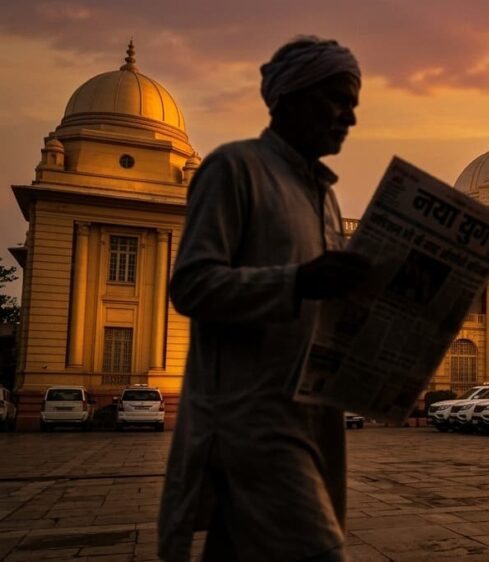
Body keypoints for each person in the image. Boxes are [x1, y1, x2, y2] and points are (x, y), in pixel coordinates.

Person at [158, 36, 369, 562]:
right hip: (250, 416)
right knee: (317, 550)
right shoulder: (235, 169)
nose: (349, 118)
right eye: (338, 100)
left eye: (354, 105)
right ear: (292, 96)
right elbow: (192, 284)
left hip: (312, 414)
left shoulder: (325, 199)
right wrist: (296, 282)